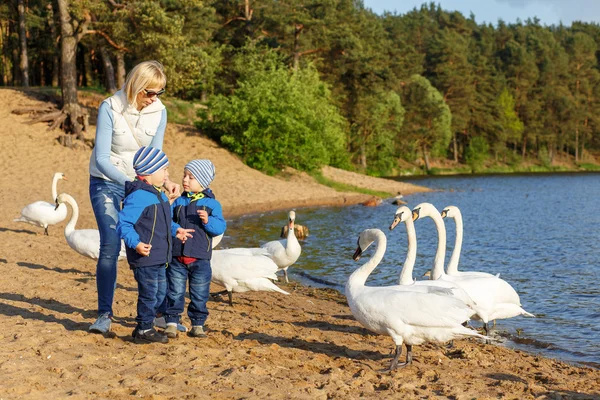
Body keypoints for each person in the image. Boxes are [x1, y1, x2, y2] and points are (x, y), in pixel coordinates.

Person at [88, 60, 180, 334]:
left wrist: (165, 180)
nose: (154, 98)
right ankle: (104, 314)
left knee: (155, 240)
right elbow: (103, 158)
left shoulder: (159, 111)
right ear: (135, 86)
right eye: (149, 92)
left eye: (159, 93)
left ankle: (160, 313)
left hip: (140, 186)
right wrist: (130, 184)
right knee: (111, 243)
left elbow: (156, 155)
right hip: (108, 182)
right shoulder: (110, 108)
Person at [116, 147, 193, 344]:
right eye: (164, 170)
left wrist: (176, 230)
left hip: (160, 256)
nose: (167, 175)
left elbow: (163, 221)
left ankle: (146, 325)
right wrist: (137, 244)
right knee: (149, 294)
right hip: (145, 257)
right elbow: (123, 224)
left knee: (159, 292)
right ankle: (143, 329)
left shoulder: (157, 193)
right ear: (149, 172)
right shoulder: (139, 196)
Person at [163, 159, 226, 338]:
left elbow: (220, 228)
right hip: (177, 257)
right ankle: (171, 322)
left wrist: (208, 221)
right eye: (184, 175)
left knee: (199, 293)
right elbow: (167, 221)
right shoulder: (179, 201)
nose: (185, 180)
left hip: (200, 258)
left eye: (191, 177)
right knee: (174, 291)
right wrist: (175, 227)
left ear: (204, 182)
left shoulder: (212, 204)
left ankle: (197, 324)